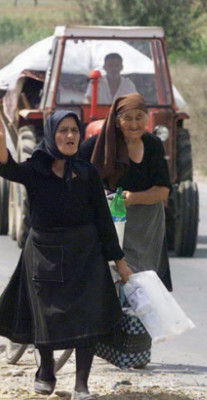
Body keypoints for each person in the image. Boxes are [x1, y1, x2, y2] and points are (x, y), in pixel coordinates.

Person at [0, 110, 133, 400]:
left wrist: (120, 263)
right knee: (47, 317)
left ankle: (81, 384)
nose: (70, 136)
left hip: (85, 253)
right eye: (63, 130)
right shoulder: (35, 169)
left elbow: (103, 220)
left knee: (87, 319)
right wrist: (1, 141)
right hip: (44, 252)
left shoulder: (87, 173)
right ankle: (46, 369)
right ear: (52, 135)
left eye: (75, 130)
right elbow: (7, 169)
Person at [79, 93, 173, 291]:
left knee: (144, 283)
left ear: (147, 119)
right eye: (127, 118)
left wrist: (134, 198)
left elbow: (163, 191)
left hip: (146, 230)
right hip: (111, 225)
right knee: (111, 279)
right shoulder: (97, 146)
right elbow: (76, 180)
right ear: (116, 121)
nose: (134, 124)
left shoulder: (153, 145)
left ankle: (139, 321)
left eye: (139, 117)